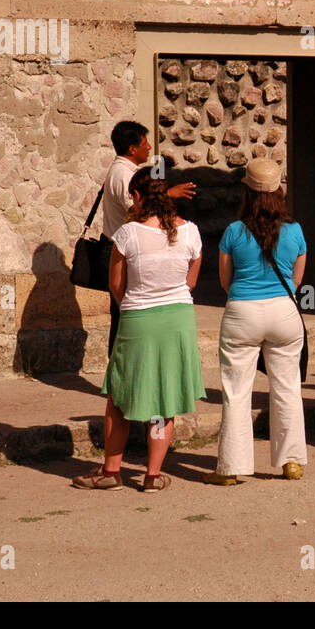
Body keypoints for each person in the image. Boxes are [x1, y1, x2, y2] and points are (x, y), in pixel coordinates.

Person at [74, 167, 205, 492]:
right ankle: (152, 474)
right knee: (166, 396)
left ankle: (111, 470)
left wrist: (134, 304)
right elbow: (190, 282)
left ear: (136, 196)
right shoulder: (190, 232)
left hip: (138, 317)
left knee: (119, 395)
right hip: (178, 319)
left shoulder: (127, 233)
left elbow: (116, 284)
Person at [208, 159, 309, 482]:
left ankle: (231, 468)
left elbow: (225, 281)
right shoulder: (295, 230)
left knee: (237, 391)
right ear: (279, 191)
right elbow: (296, 280)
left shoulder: (234, 231)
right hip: (284, 312)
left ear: (247, 192)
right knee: (287, 386)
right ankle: (291, 460)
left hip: (243, 311)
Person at [98, 121, 195, 355]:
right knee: (123, 318)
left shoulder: (126, 171)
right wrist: (168, 194)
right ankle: (120, 373)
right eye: (144, 143)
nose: (149, 147)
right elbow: (138, 210)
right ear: (132, 149)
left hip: (124, 249)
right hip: (121, 252)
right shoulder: (123, 175)